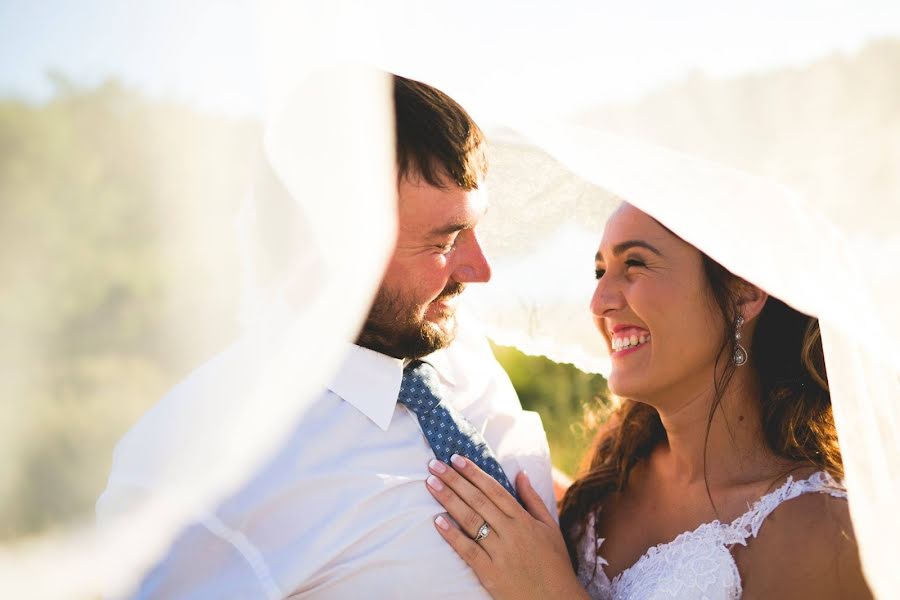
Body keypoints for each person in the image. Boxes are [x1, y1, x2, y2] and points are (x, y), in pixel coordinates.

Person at [96, 75, 554, 599]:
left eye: (474, 228)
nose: (480, 270)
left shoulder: (448, 342)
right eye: (444, 242)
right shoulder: (194, 470)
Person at [424, 202, 873, 599]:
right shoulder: (616, 467)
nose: (599, 302)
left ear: (746, 290)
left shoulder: (822, 530)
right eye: (601, 272)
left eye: (635, 263)